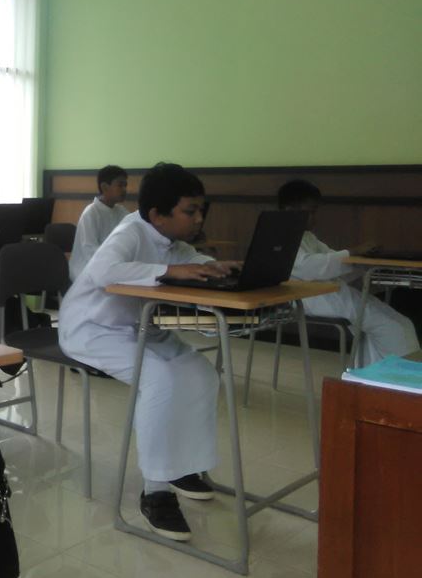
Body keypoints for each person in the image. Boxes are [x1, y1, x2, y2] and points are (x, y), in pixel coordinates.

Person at [59, 162, 239, 542]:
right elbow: (103, 271)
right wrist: (169, 271)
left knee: (202, 374)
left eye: (200, 210)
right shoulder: (130, 230)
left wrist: (217, 267)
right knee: (160, 380)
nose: (198, 218)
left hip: (137, 328)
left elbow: (191, 259)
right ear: (157, 215)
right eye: (190, 211)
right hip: (92, 329)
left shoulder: (172, 241)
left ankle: (181, 468)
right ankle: (155, 492)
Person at [278, 179, 419, 364]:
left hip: (330, 294)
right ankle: (400, 378)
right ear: (289, 209)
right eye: (310, 211)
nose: (314, 218)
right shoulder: (282, 234)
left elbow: (333, 261)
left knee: (399, 323)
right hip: (310, 299)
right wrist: (353, 253)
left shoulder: (307, 236)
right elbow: (310, 267)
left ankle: (373, 376)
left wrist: (362, 262)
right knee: (393, 327)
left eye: (315, 211)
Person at [69, 165, 129, 281]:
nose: (124, 189)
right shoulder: (91, 213)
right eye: (120, 185)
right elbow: (89, 250)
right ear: (105, 187)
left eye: (125, 185)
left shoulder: (122, 212)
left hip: (111, 266)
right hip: (85, 271)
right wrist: (115, 262)